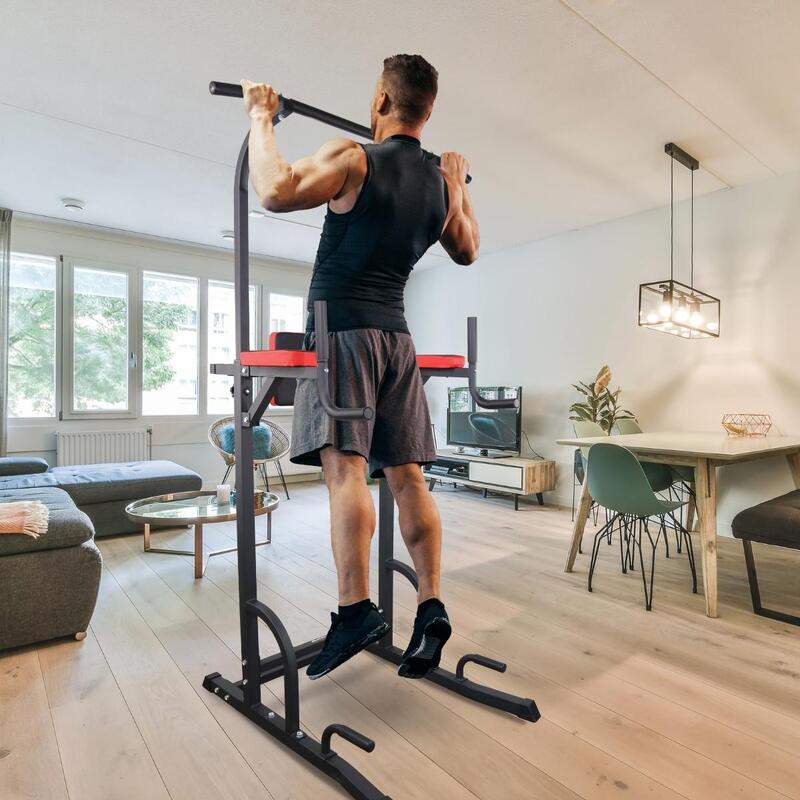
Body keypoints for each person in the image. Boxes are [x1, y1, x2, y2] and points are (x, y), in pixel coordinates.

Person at [241, 54, 479, 680]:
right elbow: (467, 250)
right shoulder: (438, 183)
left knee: (345, 471)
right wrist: (456, 186)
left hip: (343, 330)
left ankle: (355, 611)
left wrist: (262, 119)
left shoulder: (354, 157)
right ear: (428, 111)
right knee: (408, 478)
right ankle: (430, 605)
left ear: (380, 100)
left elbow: (272, 189)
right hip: (398, 338)